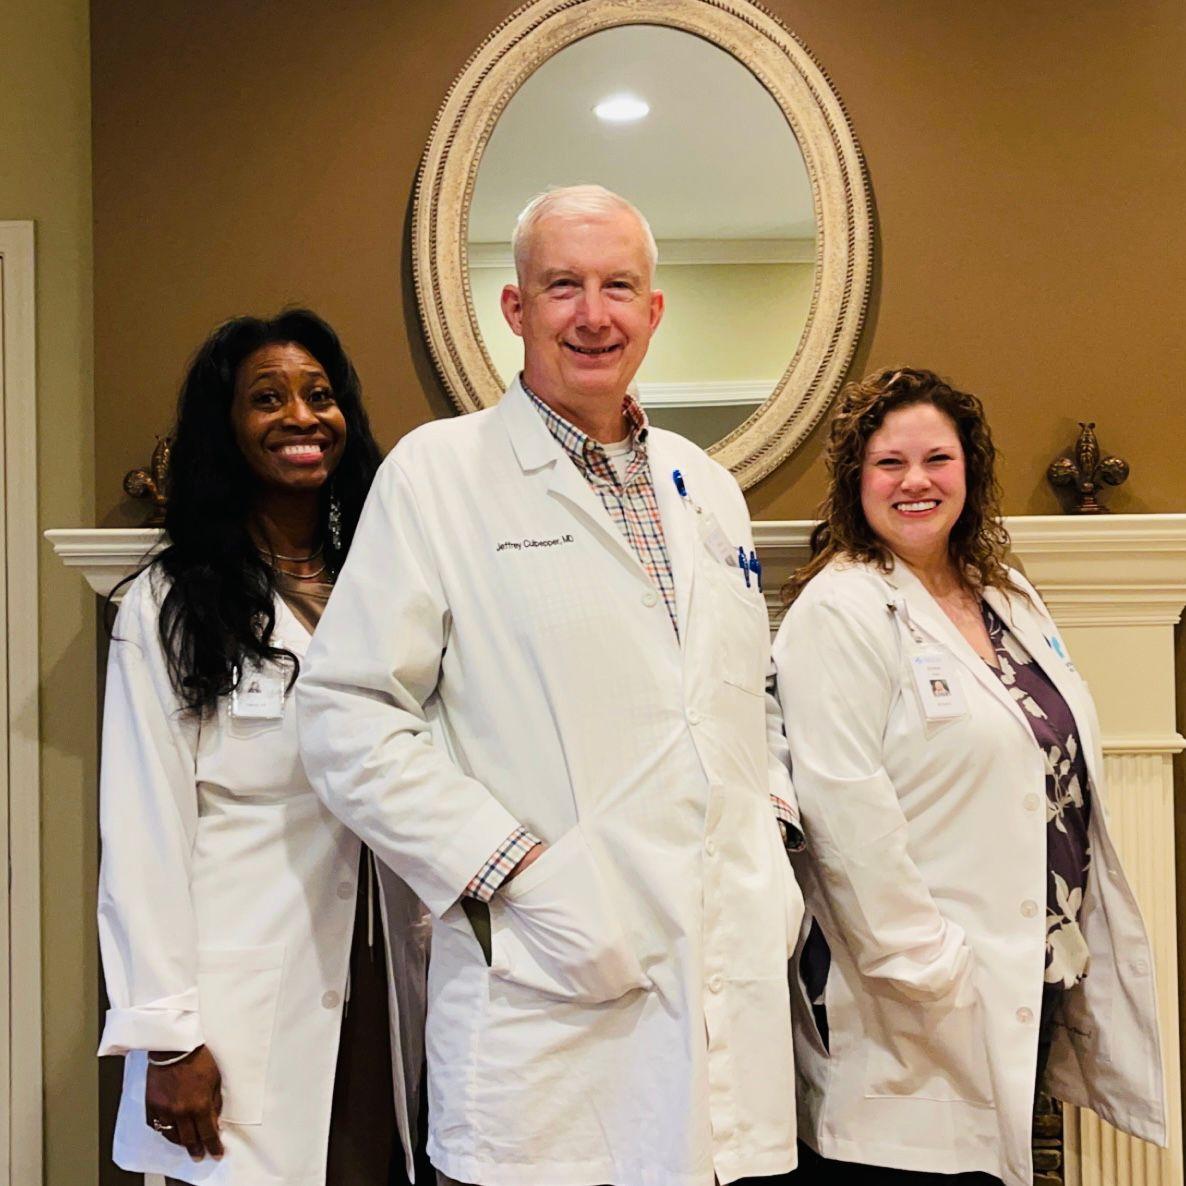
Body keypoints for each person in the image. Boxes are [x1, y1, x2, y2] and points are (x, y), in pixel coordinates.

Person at [296, 185, 804, 1186]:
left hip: (719, 988)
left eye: (619, 285)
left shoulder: (708, 487)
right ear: (515, 309)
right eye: (561, 285)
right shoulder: (438, 476)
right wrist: (519, 874)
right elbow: (344, 715)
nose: (593, 313)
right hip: (544, 998)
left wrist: (769, 842)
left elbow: (744, 702)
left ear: (653, 312)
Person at [772, 368, 1165, 1186]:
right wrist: (935, 969)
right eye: (889, 463)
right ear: (856, 480)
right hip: (914, 1008)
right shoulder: (839, 610)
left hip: (1034, 978)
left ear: (969, 471)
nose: (916, 482)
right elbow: (845, 816)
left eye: (937, 459)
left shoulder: (1006, 595)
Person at [96, 310, 430, 1185]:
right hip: (241, 993)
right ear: (226, 425)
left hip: (385, 966)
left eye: (321, 396)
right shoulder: (167, 605)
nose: (301, 417)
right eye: (267, 398)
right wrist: (166, 1035)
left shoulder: (388, 579)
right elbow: (143, 830)